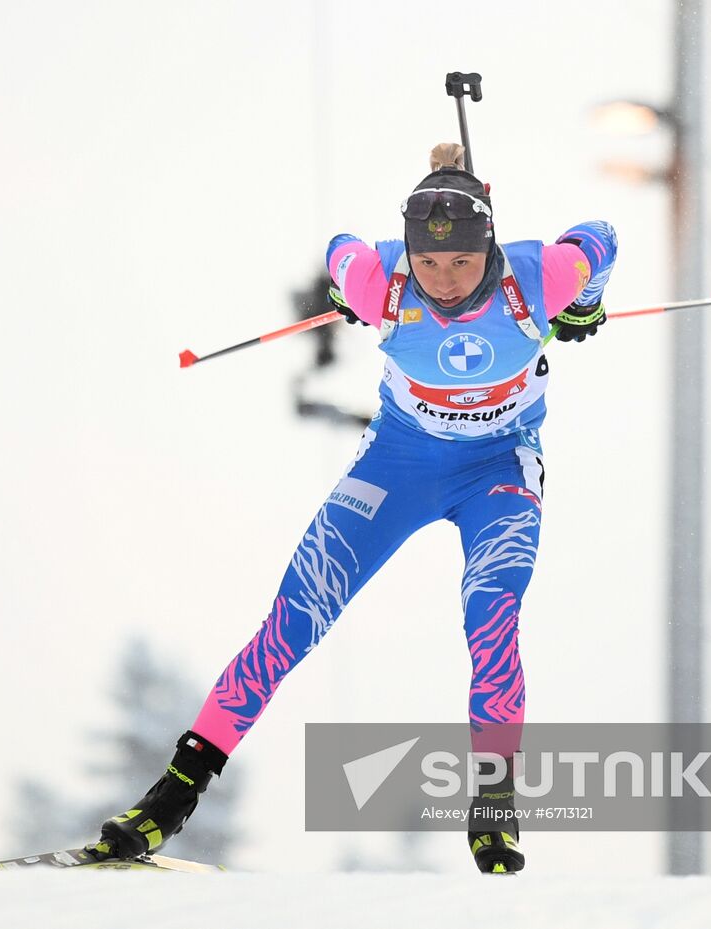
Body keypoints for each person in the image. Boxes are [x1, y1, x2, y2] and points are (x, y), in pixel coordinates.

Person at [90, 144, 617, 874]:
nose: (444, 281)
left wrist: (586, 302)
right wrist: (341, 293)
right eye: (428, 265)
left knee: (491, 609)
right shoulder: (383, 285)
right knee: (294, 617)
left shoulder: (540, 277)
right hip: (399, 464)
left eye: (462, 263)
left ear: (489, 247)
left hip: (498, 467)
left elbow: (601, 235)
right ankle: (173, 795)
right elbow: (340, 249)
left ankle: (495, 804)